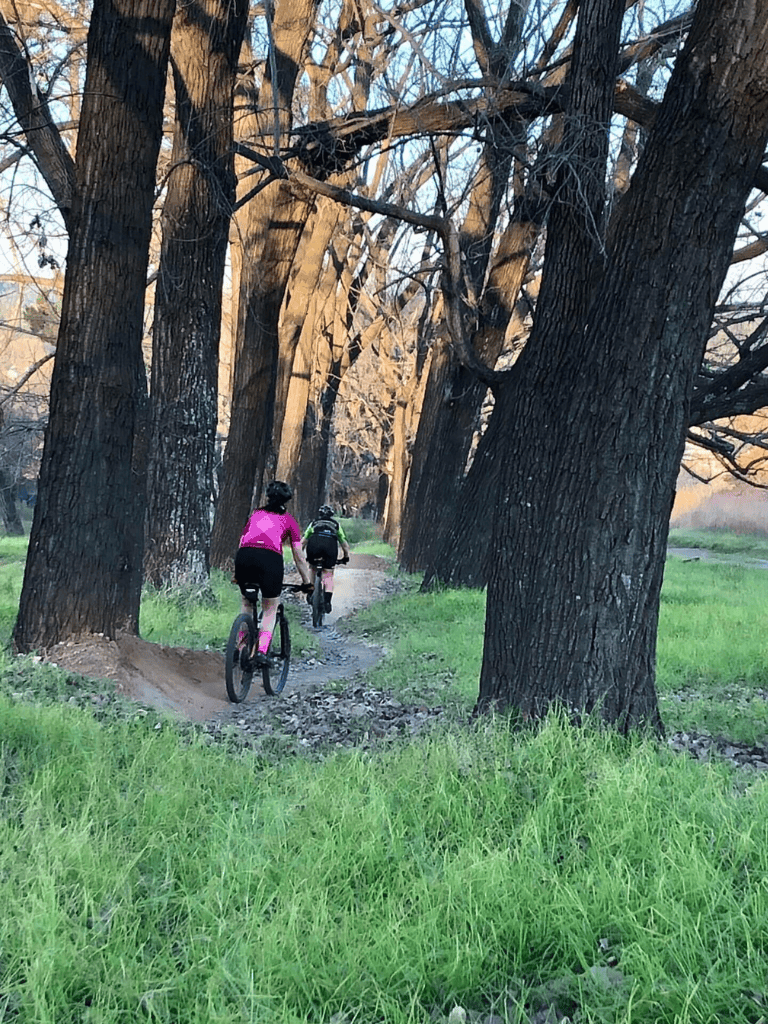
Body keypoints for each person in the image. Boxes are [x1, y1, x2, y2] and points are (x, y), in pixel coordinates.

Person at [234, 480, 312, 666]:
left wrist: (237, 572)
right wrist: (307, 581)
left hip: (244, 556)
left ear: (268, 497)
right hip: (270, 559)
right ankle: (261, 651)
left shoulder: (255, 514)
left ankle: (240, 647)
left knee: (247, 602)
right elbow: (299, 555)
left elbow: (242, 540)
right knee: (270, 607)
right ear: (287, 500)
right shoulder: (289, 521)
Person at [301, 504, 351, 613]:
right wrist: (346, 557)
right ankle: (327, 601)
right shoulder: (335, 524)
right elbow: (344, 544)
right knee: (328, 574)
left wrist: (300, 555)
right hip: (330, 549)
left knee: (312, 568)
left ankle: (310, 592)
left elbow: (303, 542)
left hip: (313, 548)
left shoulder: (313, 523)